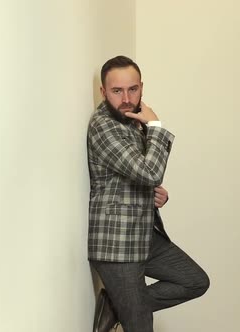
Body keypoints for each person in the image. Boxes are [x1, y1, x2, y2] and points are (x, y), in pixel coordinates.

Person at [87, 55, 209, 332]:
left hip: (143, 234)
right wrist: (156, 126)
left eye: (133, 89)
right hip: (117, 244)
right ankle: (126, 307)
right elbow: (149, 171)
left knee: (194, 280)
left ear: (142, 86)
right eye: (117, 91)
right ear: (103, 91)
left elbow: (143, 176)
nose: (127, 98)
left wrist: (157, 195)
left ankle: (117, 306)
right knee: (141, 325)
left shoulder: (131, 120)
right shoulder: (104, 126)